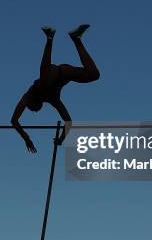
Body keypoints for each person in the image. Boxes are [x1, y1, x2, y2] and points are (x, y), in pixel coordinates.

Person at [11, 24, 100, 153]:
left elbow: (14, 120)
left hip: (54, 73)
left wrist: (27, 139)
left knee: (44, 78)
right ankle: (76, 39)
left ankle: (49, 39)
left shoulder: (29, 95)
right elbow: (69, 122)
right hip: (64, 73)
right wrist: (61, 139)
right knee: (94, 74)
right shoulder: (53, 99)